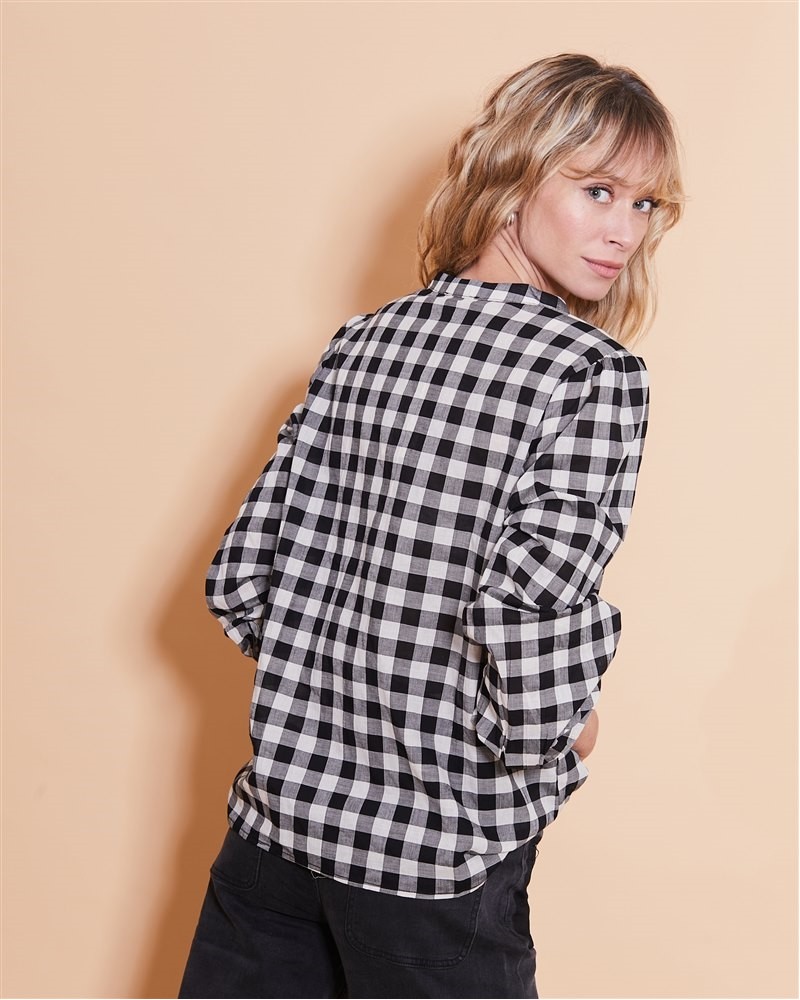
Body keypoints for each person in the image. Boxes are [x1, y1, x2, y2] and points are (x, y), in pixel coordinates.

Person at [178, 52, 685, 999]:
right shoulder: (590, 373)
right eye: (598, 191)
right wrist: (563, 731)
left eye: (646, 204)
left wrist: (330, 697)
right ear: (513, 176)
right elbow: (530, 615)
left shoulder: (361, 342)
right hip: (432, 866)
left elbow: (242, 579)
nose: (625, 230)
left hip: (275, 836)